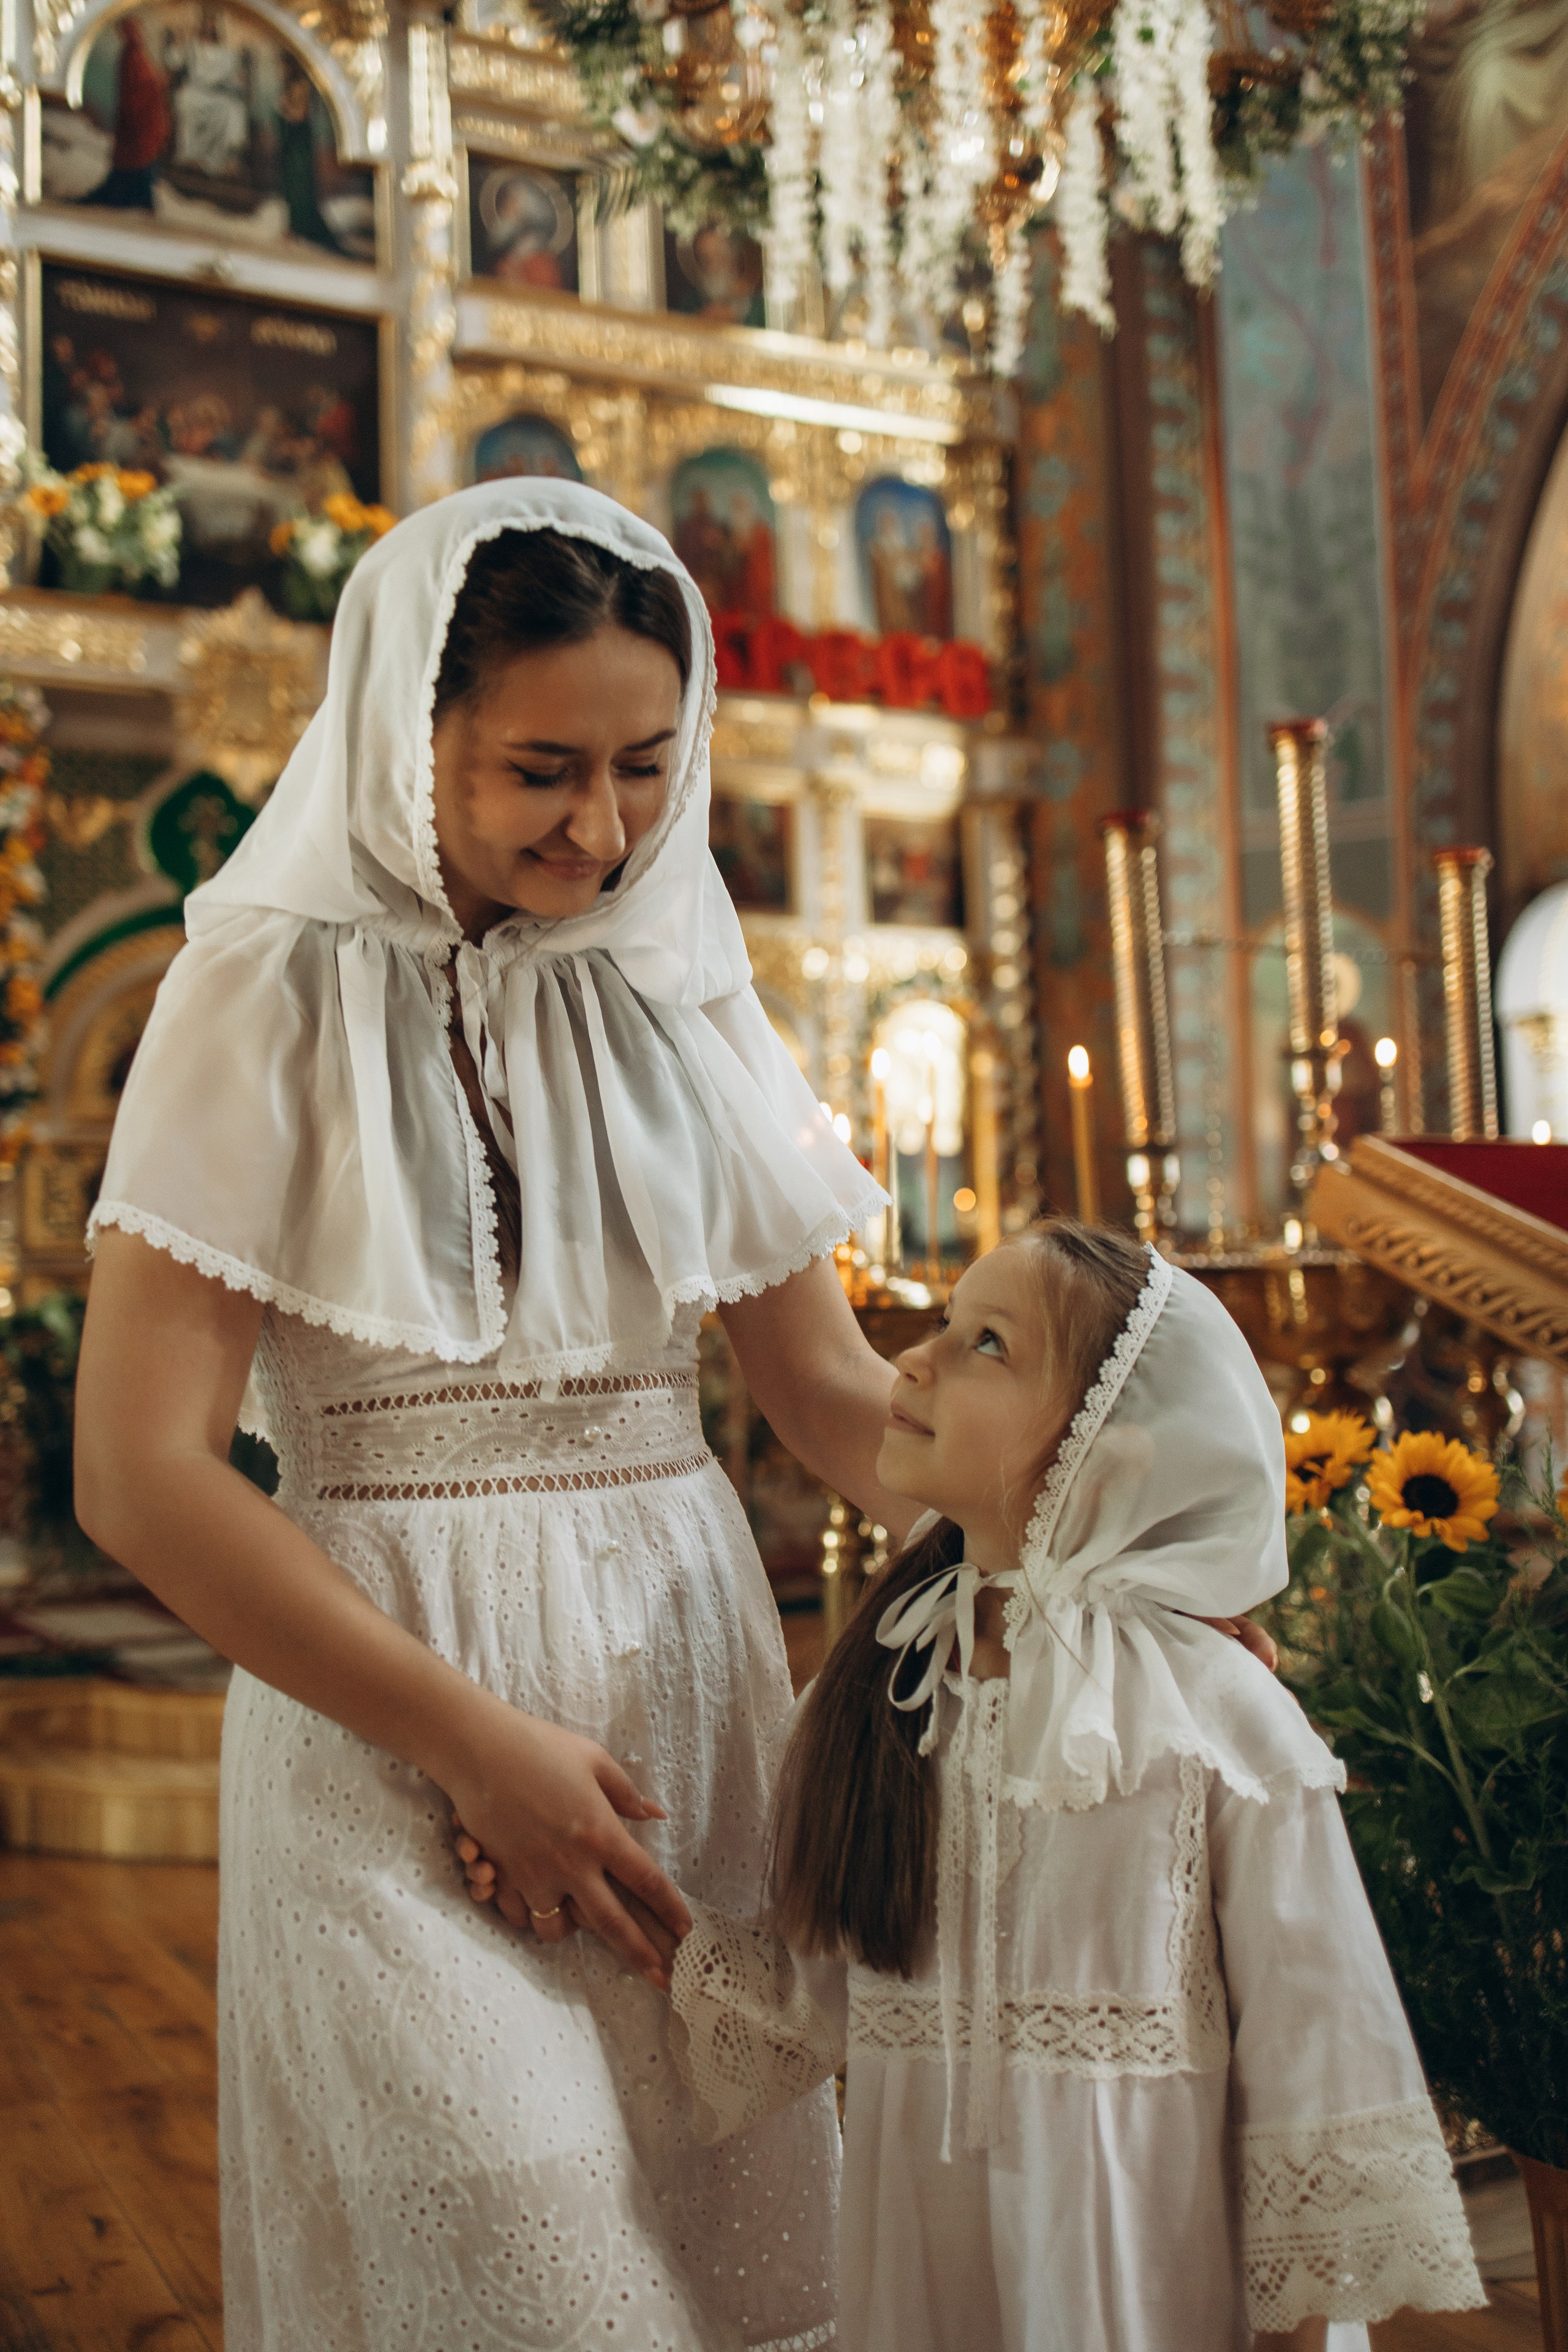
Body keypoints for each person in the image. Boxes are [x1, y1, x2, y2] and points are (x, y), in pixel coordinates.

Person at [74, 478, 909, 2348]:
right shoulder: (258, 991)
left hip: (686, 1711)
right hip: (386, 1714)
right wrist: (472, 1748)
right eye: (542, 767)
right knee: (531, 2271)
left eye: (644, 766)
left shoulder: (682, 990)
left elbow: (837, 1399)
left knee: (740, 2274)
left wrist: (1121, 1520)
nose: (602, 830)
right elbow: (136, 1480)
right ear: (407, 728)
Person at [482, 1223, 1487, 2352]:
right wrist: (611, 1899)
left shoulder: (1214, 1719)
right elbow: (817, 1989)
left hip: (1152, 2286)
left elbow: (1321, 2049)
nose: (914, 1360)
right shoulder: (876, 1694)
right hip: (930, 2273)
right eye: (945, 1328)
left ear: (1107, 1455)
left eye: (986, 1345)